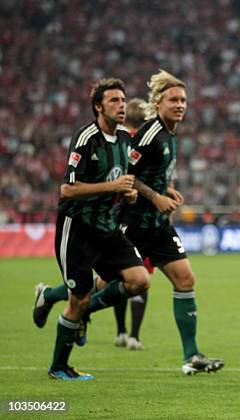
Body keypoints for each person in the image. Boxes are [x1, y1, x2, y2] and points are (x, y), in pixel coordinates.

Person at [32, 78, 150, 380]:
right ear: (98, 107)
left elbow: (120, 181)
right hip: (79, 229)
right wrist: (113, 186)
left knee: (139, 280)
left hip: (107, 227)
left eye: (123, 100)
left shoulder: (125, 139)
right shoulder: (86, 138)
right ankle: (59, 367)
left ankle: (53, 297)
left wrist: (128, 193)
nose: (121, 106)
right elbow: (68, 190)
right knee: (78, 298)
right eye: (114, 101)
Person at [120, 70, 223, 374]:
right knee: (106, 285)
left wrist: (166, 191)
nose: (180, 105)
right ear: (158, 102)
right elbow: (126, 174)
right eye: (173, 99)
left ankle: (192, 356)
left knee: (185, 279)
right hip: (134, 221)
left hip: (157, 224)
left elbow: (152, 175)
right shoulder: (150, 133)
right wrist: (155, 197)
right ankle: (57, 299)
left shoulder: (171, 133)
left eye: (183, 100)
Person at [99, 97, 152, 351]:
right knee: (141, 276)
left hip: (116, 218)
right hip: (138, 219)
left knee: (118, 277)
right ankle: (134, 335)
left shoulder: (117, 140)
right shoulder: (140, 141)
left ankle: (120, 332)